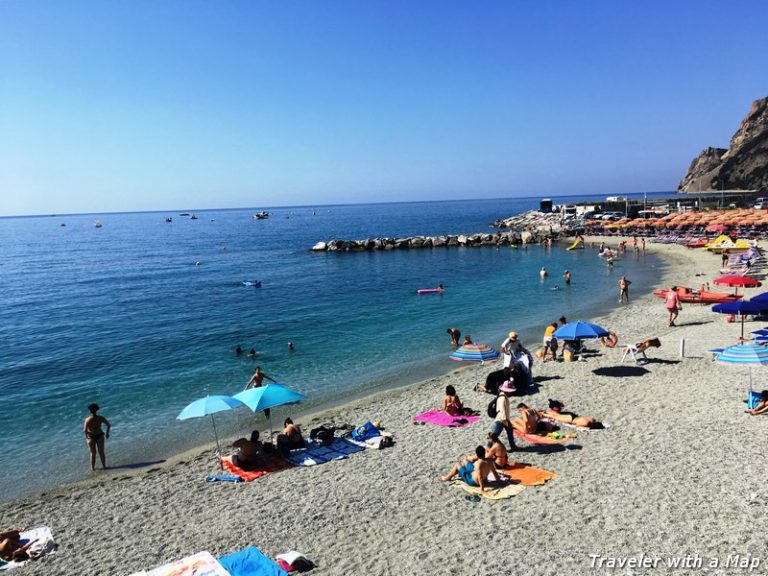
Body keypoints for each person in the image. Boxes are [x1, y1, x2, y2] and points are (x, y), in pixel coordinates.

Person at [439, 445, 504, 492]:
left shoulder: (478, 464)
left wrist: (482, 489)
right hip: (482, 478)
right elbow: (495, 472)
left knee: (457, 464)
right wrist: (499, 482)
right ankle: (460, 471)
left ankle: (447, 478)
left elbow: (480, 477)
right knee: (465, 460)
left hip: (473, 481)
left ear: (477, 454)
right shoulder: (490, 461)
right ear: (484, 453)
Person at [83, 403, 111, 471]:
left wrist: (87, 437)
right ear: (97, 410)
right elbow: (108, 425)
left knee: (92, 453)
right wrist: (107, 433)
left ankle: (93, 468)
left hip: (91, 437)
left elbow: (85, 430)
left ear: (90, 411)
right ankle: (104, 467)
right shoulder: (100, 418)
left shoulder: (87, 419)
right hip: (99, 435)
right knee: (101, 452)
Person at [490, 382, 517, 451]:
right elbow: (502, 410)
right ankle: (488, 447)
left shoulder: (502, 396)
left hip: (502, 418)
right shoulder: (503, 398)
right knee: (494, 435)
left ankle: (513, 446)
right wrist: (507, 421)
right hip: (502, 419)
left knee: (509, 432)